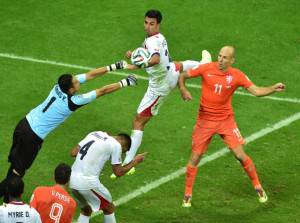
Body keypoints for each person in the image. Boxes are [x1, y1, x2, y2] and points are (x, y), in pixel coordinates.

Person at [0, 60, 137, 202]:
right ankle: (6, 201)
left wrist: (114, 66)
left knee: (16, 167)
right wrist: (124, 82)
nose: (77, 81)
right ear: (71, 89)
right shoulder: (73, 102)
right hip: (32, 137)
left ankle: (6, 202)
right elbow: (102, 91)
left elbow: (90, 75)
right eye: (75, 82)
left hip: (23, 125)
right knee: (18, 173)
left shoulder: (59, 86)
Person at [179, 46, 286, 207]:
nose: (220, 60)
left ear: (232, 60)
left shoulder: (237, 75)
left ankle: (258, 187)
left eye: (224, 58)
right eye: (220, 56)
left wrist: (272, 88)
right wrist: (183, 89)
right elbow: (182, 75)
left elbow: (256, 91)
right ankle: (187, 194)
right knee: (195, 158)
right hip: (205, 121)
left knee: (240, 155)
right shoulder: (206, 68)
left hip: (225, 121)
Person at [112, 9, 211, 177]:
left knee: (138, 122)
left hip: (159, 87)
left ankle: (128, 161)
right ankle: (203, 65)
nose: (148, 27)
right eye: (146, 23)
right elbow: (152, 59)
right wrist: (133, 56)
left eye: (152, 24)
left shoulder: (152, 42)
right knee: (177, 65)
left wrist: (139, 61)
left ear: (158, 24)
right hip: (169, 72)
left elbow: (155, 59)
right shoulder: (159, 38)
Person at [69, 131, 147, 223]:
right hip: (87, 183)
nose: (121, 153)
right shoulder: (116, 145)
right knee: (109, 208)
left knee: (86, 210)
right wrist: (135, 161)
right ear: (124, 145)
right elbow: (118, 172)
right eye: (123, 151)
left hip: (72, 180)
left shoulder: (94, 133)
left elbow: (73, 152)